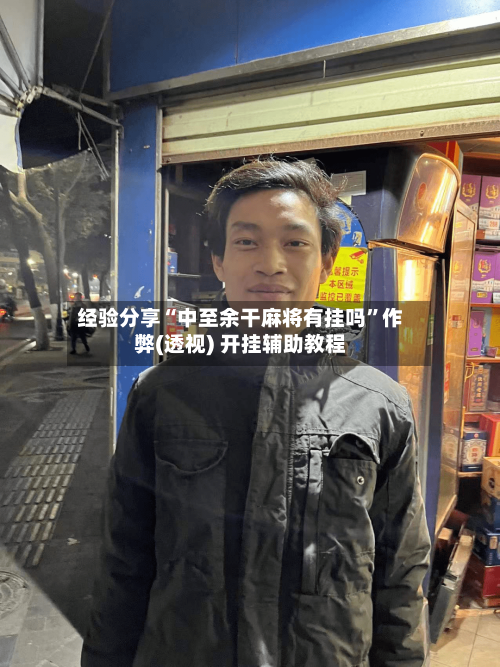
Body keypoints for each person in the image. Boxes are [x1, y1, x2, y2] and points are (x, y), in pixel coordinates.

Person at [81, 159, 431, 667]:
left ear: (327, 262)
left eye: (295, 242)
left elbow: (400, 575)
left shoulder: (381, 405)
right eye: (246, 241)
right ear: (218, 261)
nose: (271, 263)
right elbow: (123, 564)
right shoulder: (159, 395)